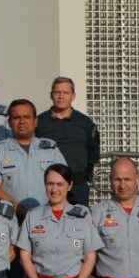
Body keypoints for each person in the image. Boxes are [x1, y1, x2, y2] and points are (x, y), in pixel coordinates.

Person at [0, 99, 66, 216]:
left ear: (35, 121)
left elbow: (64, 184)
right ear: (9, 122)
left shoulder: (50, 149)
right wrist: (20, 210)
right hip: (10, 219)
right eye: (16, 117)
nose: (22, 121)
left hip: (47, 219)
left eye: (27, 117)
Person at [37, 77, 101, 205]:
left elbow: (93, 149)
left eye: (65, 93)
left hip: (78, 185)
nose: (61, 96)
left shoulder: (85, 122)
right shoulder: (39, 121)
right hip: (48, 187)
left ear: (73, 96)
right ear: (51, 95)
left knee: (78, 221)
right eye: (57, 92)